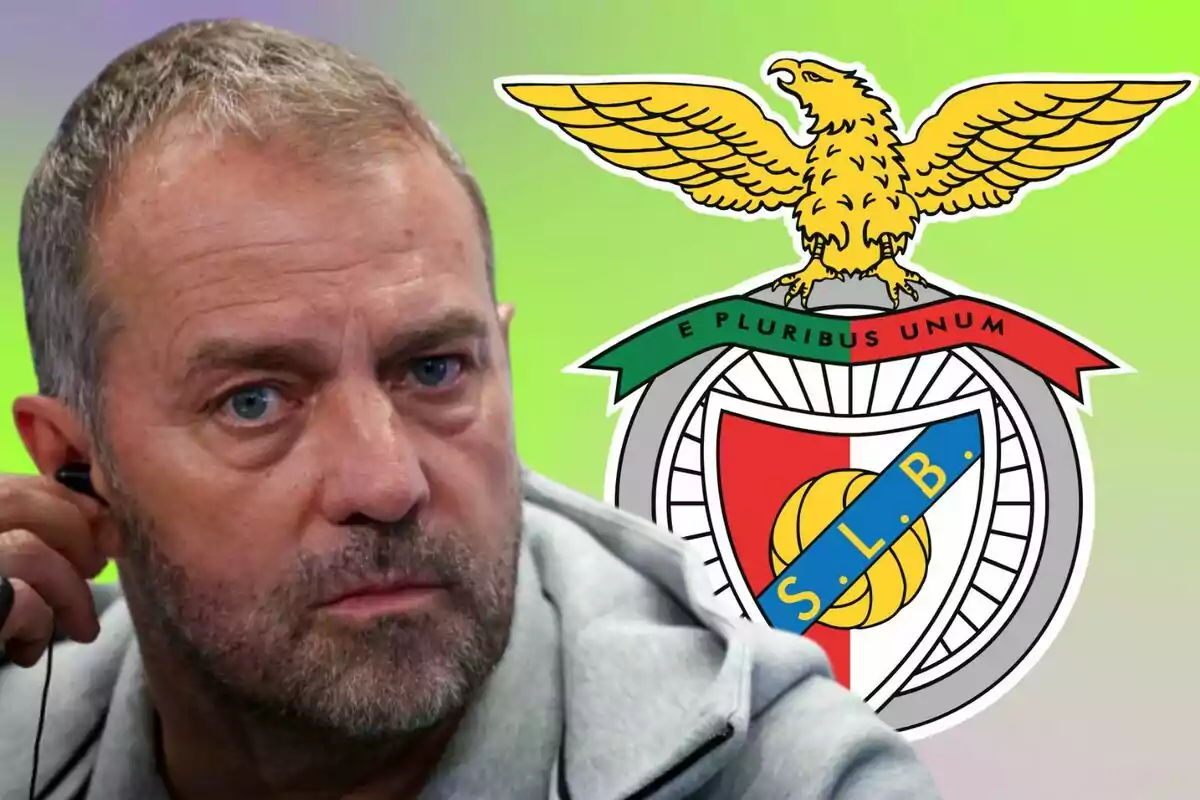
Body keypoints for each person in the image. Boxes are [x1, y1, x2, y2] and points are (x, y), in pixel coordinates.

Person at [0, 18, 943, 800]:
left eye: (434, 370)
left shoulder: (791, 780)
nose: (386, 481)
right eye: (255, 401)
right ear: (77, 466)